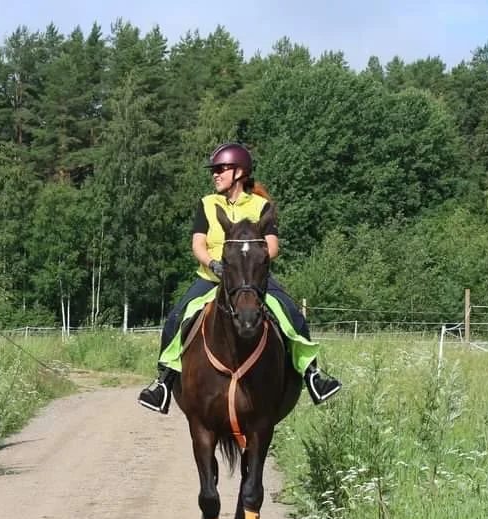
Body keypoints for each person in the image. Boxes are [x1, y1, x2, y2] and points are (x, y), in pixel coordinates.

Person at [137, 142, 342, 414]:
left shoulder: (261, 205)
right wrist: (215, 264)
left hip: (252, 280)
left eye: (221, 169)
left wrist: (248, 265)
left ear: (239, 172)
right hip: (212, 278)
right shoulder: (207, 204)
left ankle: (313, 376)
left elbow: (272, 246)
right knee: (176, 317)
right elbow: (198, 244)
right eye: (215, 170)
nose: (215, 174)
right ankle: (163, 383)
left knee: (293, 314)